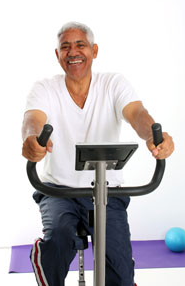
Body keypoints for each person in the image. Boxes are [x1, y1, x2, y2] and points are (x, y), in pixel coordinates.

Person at [22, 22, 174, 286]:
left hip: (107, 192)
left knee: (120, 273)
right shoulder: (44, 88)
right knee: (59, 238)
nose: (73, 52)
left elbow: (136, 113)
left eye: (80, 45)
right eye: (65, 47)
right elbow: (32, 120)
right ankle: (45, 257)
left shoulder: (113, 83)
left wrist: (152, 134)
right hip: (59, 191)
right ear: (57, 56)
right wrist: (31, 139)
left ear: (93, 50)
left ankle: (122, 265)